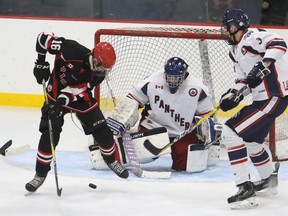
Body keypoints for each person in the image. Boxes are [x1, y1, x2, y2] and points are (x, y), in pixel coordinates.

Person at [25, 32, 129, 193]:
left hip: (80, 99)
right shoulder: (70, 49)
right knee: (49, 135)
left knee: (104, 133)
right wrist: (40, 63)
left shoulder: (98, 75)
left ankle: (111, 161)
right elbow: (42, 38)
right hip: (54, 95)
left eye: (106, 69)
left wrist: (62, 102)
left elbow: (78, 91)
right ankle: (40, 175)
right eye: (101, 66)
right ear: (94, 58)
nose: (103, 71)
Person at [220, 9, 288, 209]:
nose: (224, 31)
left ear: (236, 26)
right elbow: (244, 80)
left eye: (227, 27)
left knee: (230, 132)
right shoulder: (234, 50)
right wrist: (234, 95)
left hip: (273, 96)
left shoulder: (253, 36)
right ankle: (268, 180)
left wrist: (263, 65)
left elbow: (279, 43)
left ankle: (244, 187)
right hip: (263, 99)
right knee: (252, 141)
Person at [103, 57, 221, 172]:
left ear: (185, 75)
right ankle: (112, 151)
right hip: (154, 127)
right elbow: (133, 100)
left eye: (176, 78)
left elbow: (206, 115)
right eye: (169, 77)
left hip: (183, 132)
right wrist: (121, 118)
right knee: (143, 150)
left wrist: (207, 131)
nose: (172, 81)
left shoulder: (197, 87)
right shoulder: (152, 81)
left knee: (185, 166)